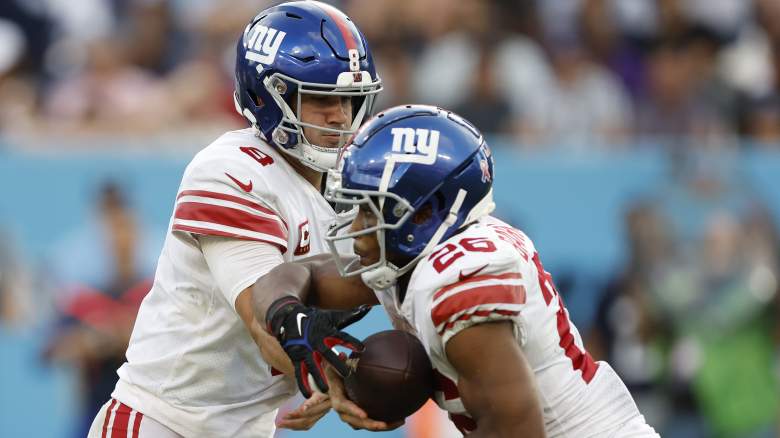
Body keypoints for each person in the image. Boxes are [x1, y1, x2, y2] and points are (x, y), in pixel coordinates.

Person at [257, 104, 660, 436]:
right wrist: (289, 319)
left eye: (370, 209)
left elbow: (517, 430)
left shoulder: (457, 277)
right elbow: (296, 275)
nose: (358, 228)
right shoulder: (416, 253)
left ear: (426, 211)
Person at [87, 2, 382, 437]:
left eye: (349, 98)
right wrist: (340, 372)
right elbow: (265, 324)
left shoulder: (352, 191)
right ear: (266, 94)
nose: (339, 114)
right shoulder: (231, 169)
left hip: (249, 427)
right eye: (320, 97)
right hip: (165, 421)